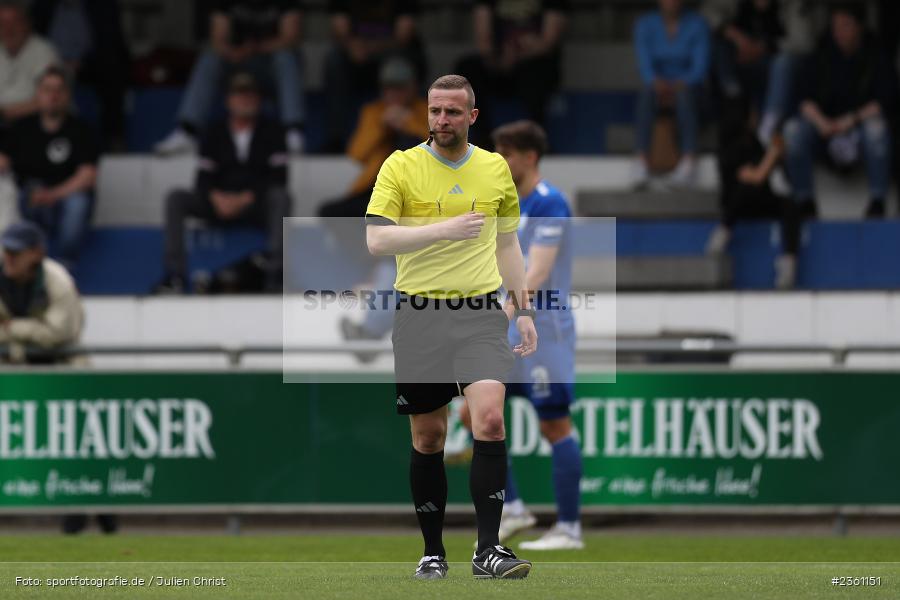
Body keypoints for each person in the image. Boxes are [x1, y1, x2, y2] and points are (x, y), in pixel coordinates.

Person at [365, 74, 536, 580]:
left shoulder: (494, 169)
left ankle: (489, 549)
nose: (442, 120)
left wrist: (523, 309)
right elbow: (377, 241)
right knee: (429, 437)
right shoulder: (400, 165)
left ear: (472, 117)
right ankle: (432, 551)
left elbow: (508, 245)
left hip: (481, 313)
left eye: (453, 112)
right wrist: (445, 229)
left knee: (489, 420)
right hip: (419, 316)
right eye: (435, 111)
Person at [456, 120, 582, 550]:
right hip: (508, 325)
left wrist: (507, 310)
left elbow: (538, 271)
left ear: (529, 157)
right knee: (475, 414)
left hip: (544, 328)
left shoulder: (551, 203)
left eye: (507, 153)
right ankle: (513, 508)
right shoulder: (505, 204)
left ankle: (568, 527)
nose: (500, 161)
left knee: (554, 425)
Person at [159, 72, 291, 293]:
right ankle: (175, 276)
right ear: (228, 100)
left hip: (254, 204)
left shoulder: (273, 131)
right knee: (176, 198)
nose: (246, 100)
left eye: (251, 95)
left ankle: (275, 274)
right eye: (240, 94)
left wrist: (244, 198)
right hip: (218, 202)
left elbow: (279, 177)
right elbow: (203, 178)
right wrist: (216, 197)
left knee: (280, 196)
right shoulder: (214, 131)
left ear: (259, 100)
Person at [783, 3, 897, 219]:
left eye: (846, 25)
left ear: (859, 27)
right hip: (824, 130)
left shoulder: (876, 55)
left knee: (876, 128)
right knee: (793, 130)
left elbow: (884, 101)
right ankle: (804, 201)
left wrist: (850, 121)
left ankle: (877, 201)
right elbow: (803, 100)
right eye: (836, 26)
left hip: (858, 128)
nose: (839, 32)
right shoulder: (822, 53)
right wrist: (823, 123)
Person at [155, 0, 305, 155]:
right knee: (210, 57)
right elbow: (218, 38)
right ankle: (188, 132)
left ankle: (292, 133)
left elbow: (291, 37)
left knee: (286, 57)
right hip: (236, 60)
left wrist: (256, 48)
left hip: (268, 65)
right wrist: (234, 52)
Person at [0, 65, 97, 273]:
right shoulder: (21, 128)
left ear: (67, 95)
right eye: (47, 89)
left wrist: (53, 194)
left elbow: (88, 176)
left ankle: (64, 265)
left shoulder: (80, 129)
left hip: (65, 195)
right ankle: (27, 264)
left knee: (78, 203)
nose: (53, 96)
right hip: (30, 197)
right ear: (37, 94)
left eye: (58, 90)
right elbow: (3, 161)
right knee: (12, 194)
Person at [706, 98, 800, 289]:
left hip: (761, 201)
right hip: (739, 205)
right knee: (746, 189)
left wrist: (779, 154)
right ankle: (723, 232)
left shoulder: (755, 141)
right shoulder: (730, 149)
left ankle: (788, 262)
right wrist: (772, 155)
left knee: (790, 205)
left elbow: (768, 174)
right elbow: (755, 177)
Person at [455, 0, 569, 149]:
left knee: (538, 73)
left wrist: (518, 55)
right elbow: (483, 41)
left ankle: (534, 142)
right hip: (498, 62)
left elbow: (547, 41)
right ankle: (483, 139)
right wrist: (499, 60)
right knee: (467, 69)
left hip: (533, 62)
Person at [322, 0, 424, 152]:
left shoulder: (425, 111)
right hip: (355, 56)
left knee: (399, 62)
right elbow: (357, 154)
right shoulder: (373, 113)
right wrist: (382, 127)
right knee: (334, 60)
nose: (393, 94)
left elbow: (404, 35)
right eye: (389, 88)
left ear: (412, 87)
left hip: (393, 50)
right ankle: (335, 138)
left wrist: (407, 123)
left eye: (397, 87)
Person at [30, 0, 131, 150]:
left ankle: (113, 136)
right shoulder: (44, 5)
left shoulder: (102, 5)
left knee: (112, 73)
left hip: (90, 65)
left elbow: (110, 43)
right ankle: (32, 139)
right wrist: (54, 61)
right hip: (50, 63)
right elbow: (35, 39)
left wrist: (83, 63)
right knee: (40, 78)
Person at [632, 0, 711, 189]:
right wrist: (657, 82)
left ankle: (688, 162)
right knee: (646, 92)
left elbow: (700, 67)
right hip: (658, 89)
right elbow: (645, 65)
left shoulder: (698, 24)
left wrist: (679, 84)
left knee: (684, 94)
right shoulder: (645, 24)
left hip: (689, 88)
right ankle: (641, 161)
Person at [0, 221, 82, 364]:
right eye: (6, 250)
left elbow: (58, 334)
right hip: (9, 367)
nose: (8, 258)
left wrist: (13, 327)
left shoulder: (60, 282)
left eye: (15, 252)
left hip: (60, 366)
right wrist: (37, 328)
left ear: (37, 253)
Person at [0, 1, 59, 126]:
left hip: (34, 124)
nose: (8, 29)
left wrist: (6, 114)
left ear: (27, 23)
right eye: (2, 23)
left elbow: (52, 98)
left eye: (14, 22)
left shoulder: (44, 52)